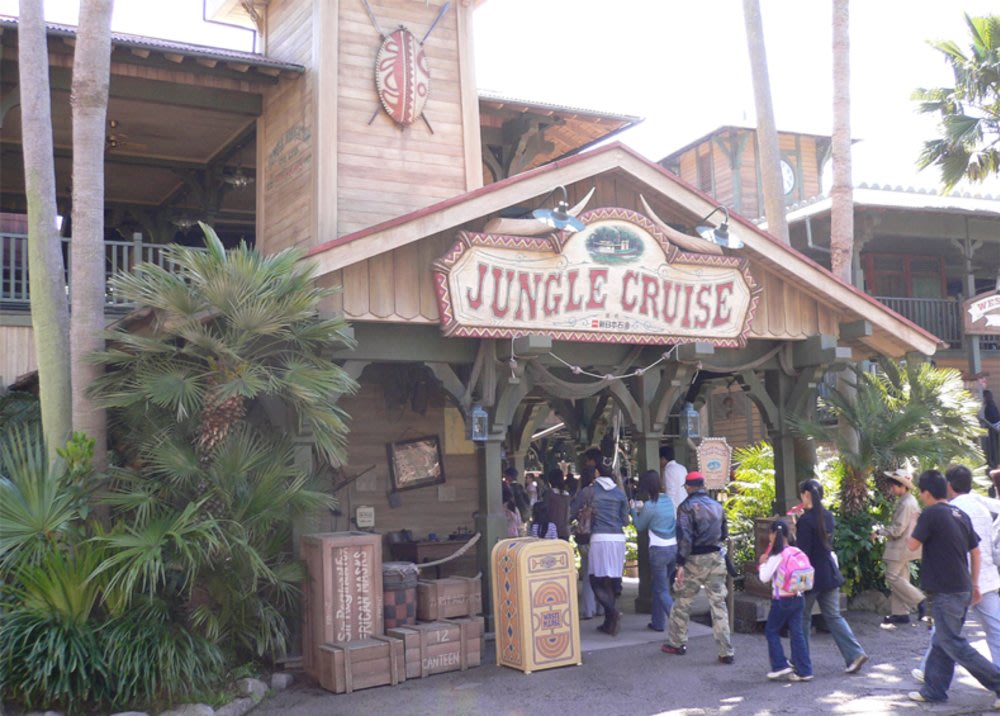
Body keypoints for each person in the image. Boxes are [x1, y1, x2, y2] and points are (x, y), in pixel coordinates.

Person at [905, 469, 1000, 707]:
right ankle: (934, 690)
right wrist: (975, 583)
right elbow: (976, 552)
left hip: (945, 590)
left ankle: (997, 682)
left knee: (954, 643)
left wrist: (915, 522)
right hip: (963, 586)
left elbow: (911, 546)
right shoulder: (960, 513)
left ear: (926, 493)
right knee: (942, 641)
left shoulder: (931, 514)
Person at [795, 479, 869, 674]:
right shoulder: (828, 516)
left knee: (802, 618)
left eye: (802, 494)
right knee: (834, 616)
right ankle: (854, 653)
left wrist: (796, 530)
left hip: (810, 576)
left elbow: (803, 553)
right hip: (829, 573)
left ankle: (801, 661)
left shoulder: (805, 521)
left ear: (806, 495)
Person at [662, 471, 734, 664]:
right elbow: (724, 533)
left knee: (682, 601)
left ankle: (677, 643)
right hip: (716, 558)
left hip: (694, 559)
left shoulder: (685, 507)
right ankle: (726, 651)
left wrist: (680, 564)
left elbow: (684, 537)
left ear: (689, 487)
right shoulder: (717, 506)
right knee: (718, 604)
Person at [758, 519, 813, 682]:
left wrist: (762, 564)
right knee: (797, 634)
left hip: (782, 599)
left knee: (771, 630)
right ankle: (805, 670)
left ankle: (780, 665)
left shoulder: (776, 555)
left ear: (773, 535)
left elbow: (764, 578)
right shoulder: (796, 551)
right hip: (798, 596)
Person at [877, 466, 925, 628]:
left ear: (902, 486)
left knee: (892, 577)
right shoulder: (907, 501)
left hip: (900, 547)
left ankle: (920, 600)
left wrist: (880, 531)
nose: (892, 488)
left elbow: (898, 529)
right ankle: (900, 613)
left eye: (894, 485)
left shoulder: (906, 503)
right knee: (901, 578)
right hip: (905, 546)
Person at [631, 468, 676, 632]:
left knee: (662, 589)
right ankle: (658, 622)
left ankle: (678, 620)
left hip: (658, 550)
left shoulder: (649, 506)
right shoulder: (669, 501)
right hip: (673, 548)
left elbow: (639, 526)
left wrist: (633, 511)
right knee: (660, 585)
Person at [587, 464, 629, 636]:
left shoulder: (590, 492)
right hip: (618, 539)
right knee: (611, 580)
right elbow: (625, 520)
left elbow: (573, 511)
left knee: (595, 580)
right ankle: (608, 623)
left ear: (596, 472)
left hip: (599, 538)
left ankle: (612, 612)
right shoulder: (620, 493)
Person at [571, 465, 600, 620]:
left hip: (587, 537)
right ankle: (603, 607)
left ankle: (589, 610)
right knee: (603, 574)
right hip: (607, 537)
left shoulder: (585, 492)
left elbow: (573, 511)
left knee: (588, 573)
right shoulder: (610, 491)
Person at [660, 445, 687, 517]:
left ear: (663, 458)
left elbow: (670, 491)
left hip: (675, 507)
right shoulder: (682, 468)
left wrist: (667, 509)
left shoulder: (668, 470)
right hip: (685, 504)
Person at [545, 468, 572, 540]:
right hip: (565, 531)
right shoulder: (567, 495)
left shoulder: (549, 494)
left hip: (551, 532)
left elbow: (546, 512)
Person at [981, 390, 1000, 473]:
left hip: (995, 430)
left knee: (994, 447)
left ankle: (994, 462)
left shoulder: (989, 407)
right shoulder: (992, 405)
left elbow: (993, 420)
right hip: (995, 429)